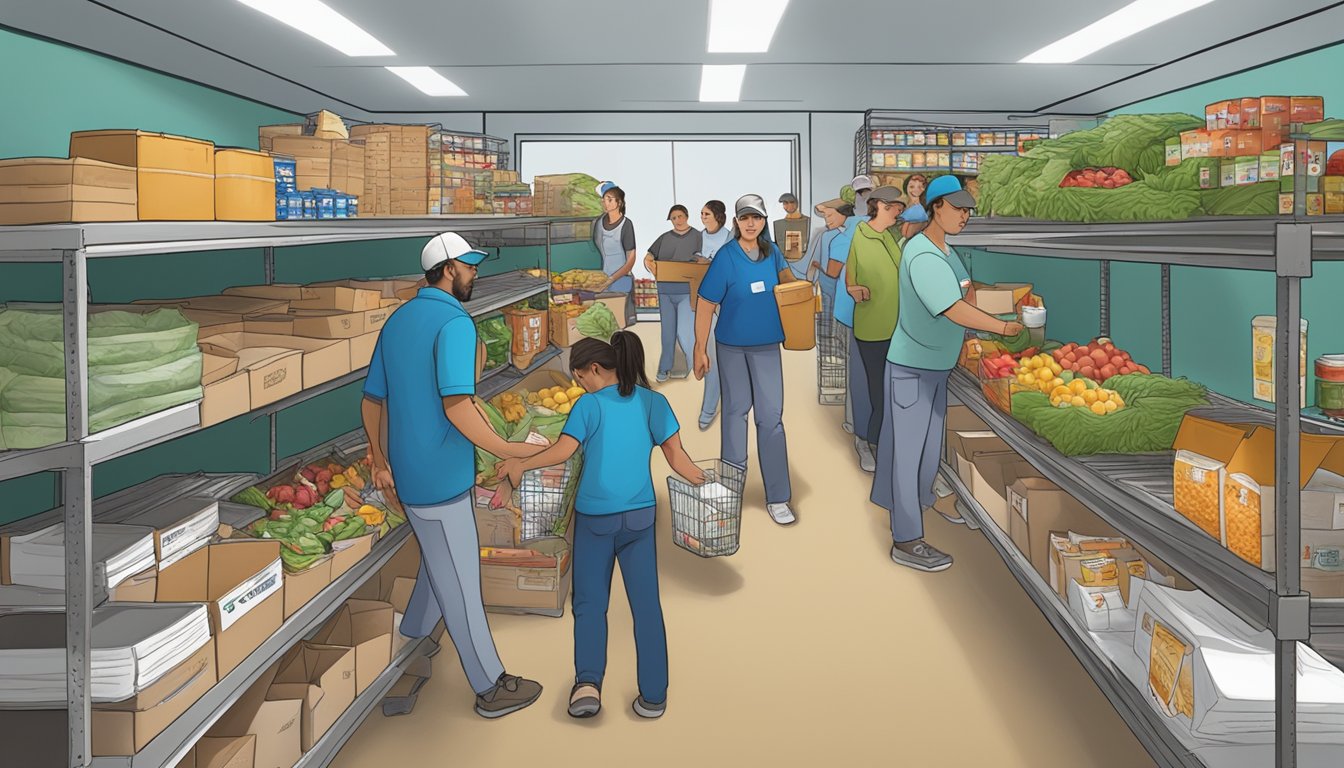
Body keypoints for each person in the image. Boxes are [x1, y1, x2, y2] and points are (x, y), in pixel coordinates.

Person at [361, 232, 545, 719]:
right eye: (469, 266)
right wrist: (511, 450)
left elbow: (371, 399)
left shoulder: (398, 321)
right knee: (461, 579)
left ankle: (414, 641)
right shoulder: (455, 324)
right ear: (447, 270)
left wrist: (379, 460)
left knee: (434, 564)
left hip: (408, 469)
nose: (475, 273)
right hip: (441, 476)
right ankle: (490, 687)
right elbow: (459, 404)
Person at [496, 333, 705, 721]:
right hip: (640, 517)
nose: (579, 385)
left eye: (579, 377)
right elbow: (678, 456)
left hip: (596, 519)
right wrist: (706, 483)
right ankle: (654, 695)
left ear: (594, 369)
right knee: (646, 606)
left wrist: (521, 464)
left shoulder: (589, 407)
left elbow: (563, 450)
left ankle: (588, 685)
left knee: (591, 604)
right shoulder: (652, 402)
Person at [876, 176, 1023, 572]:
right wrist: (1004, 327)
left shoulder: (945, 250)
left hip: (936, 365)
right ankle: (906, 540)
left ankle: (919, 505)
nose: (964, 215)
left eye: (968, 209)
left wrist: (979, 307)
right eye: (957, 208)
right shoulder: (922, 254)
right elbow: (952, 308)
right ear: (935, 208)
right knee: (909, 455)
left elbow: (965, 289)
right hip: (914, 367)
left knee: (924, 451)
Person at [693, 194, 798, 526]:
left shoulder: (773, 253)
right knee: (736, 415)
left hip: (767, 347)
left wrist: (802, 295)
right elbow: (706, 303)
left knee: (771, 418)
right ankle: (731, 490)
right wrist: (700, 348)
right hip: (732, 347)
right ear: (736, 222)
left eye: (757, 218)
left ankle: (778, 496)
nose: (751, 223)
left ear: (764, 221)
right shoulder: (726, 257)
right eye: (745, 218)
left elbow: (789, 285)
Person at [846, 187, 906, 474]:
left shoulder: (890, 237)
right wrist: (854, 289)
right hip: (873, 328)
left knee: (893, 390)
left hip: (898, 326)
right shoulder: (861, 233)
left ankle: (885, 444)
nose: (899, 212)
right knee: (878, 390)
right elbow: (850, 276)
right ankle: (872, 442)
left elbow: (901, 270)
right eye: (896, 207)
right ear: (881, 205)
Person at [644, 205, 704, 382]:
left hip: (686, 290)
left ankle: (694, 365)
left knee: (685, 332)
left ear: (686, 216)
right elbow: (649, 256)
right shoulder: (664, 238)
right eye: (673, 218)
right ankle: (665, 368)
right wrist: (650, 264)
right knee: (667, 332)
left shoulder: (698, 237)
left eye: (679, 216)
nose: (677, 220)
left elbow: (704, 259)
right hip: (665, 290)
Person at [830, 202, 865, 443]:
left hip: (850, 312)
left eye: (829, 215)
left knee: (856, 369)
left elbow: (833, 272)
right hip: (869, 312)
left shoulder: (841, 240)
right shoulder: (869, 229)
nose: (826, 219)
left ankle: (853, 422)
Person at [697, 200, 732, 431]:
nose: (702, 217)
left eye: (706, 213)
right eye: (701, 213)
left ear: (718, 216)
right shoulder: (696, 237)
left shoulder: (731, 239)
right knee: (709, 356)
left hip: (728, 305)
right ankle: (709, 408)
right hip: (706, 304)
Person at [592, 182, 637, 325]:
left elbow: (631, 260)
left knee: (619, 324)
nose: (606, 203)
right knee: (604, 324)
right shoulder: (598, 223)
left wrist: (612, 278)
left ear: (619, 202)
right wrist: (602, 279)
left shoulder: (626, 225)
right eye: (604, 200)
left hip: (621, 282)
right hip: (602, 282)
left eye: (610, 199)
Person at [773, 192, 811, 264]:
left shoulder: (809, 222)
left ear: (797, 203)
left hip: (806, 263)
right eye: (785, 203)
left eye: (792, 202)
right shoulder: (778, 224)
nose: (789, 205)